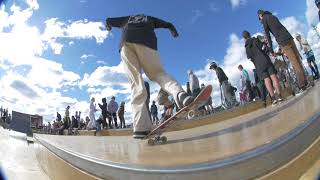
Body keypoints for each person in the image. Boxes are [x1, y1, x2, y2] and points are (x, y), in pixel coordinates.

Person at [106, 14, 194, 139]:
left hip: (125, 44)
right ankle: (179, 94)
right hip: (146, 42)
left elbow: (109, 20)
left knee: (136, 83)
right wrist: (173, 31)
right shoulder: (151, 19)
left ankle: (140, 128)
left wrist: (108, 26)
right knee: (159, 74)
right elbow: (168, 24)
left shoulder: (126, 19)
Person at [257, 10, 307, 91]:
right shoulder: (273, 16)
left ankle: (302, 84)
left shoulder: (264, 20)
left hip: (283, 41)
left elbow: (268, 36)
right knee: (298, 59)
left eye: (259, 18)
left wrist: (271, 49)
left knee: (294, 61)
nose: (260, 20)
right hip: (289, 37)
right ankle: (305, 81)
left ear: (260, 15)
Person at [243, 30, 283, 105]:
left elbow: (250, 58)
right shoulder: (255, 40)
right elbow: (264, 48)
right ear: (249, 34)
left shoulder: (247, 48)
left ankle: (273, 99)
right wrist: (270, 51)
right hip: (265, 60)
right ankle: (280, 96)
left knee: (266, 80)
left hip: (258, 66)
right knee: (273, 77)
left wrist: (256, 62)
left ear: (244, 38)